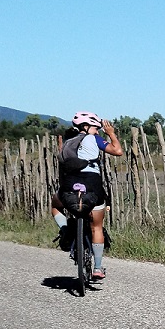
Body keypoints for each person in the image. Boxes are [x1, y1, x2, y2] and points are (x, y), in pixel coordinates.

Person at [52, 111, 123, 280]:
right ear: (86, 127)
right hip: (92, 184)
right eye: (95, 128)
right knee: (96, 227)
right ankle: (97, 268)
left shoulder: (68, 142)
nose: (97, 131)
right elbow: (118, 151)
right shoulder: (94, 139)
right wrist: (111, 133)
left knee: (55, 205)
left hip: (70, 185)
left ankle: (65, 230)